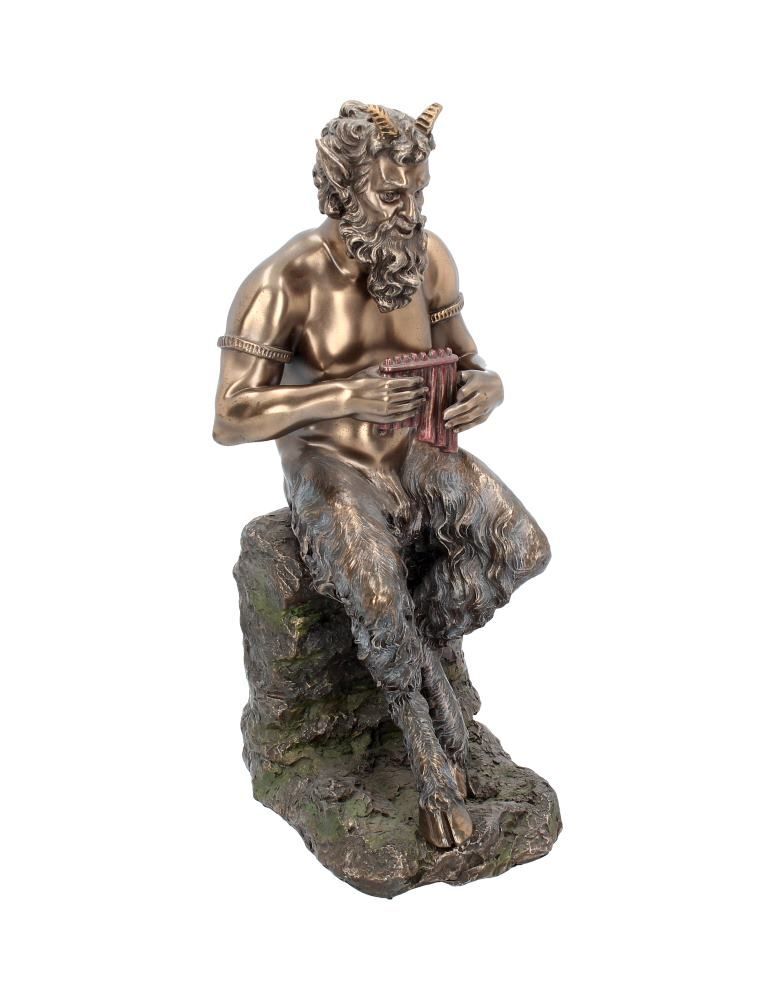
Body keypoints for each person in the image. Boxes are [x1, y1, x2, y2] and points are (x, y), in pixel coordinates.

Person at [213, 101, 550, 847]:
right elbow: (230, 415)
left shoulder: (428, 258)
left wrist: (487, 387)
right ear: (343, 188)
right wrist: (343, 396)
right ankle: (430, 763)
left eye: (419, 192)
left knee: (524, 549)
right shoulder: (286, 278)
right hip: (330, 463)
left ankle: (411, 646)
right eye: (391, 195)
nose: (411, 211)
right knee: (374, 594)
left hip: (415, 451)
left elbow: (468, 356)